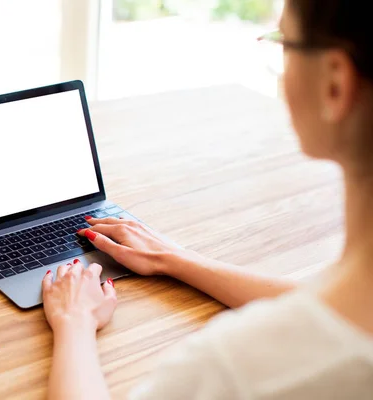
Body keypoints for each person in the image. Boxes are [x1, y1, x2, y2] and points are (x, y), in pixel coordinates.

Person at [41, 1, 373, 398]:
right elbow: (324, 307)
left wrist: (74, 321)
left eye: (284, 41)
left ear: (335, 84)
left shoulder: (235, 369)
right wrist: (175, 259)